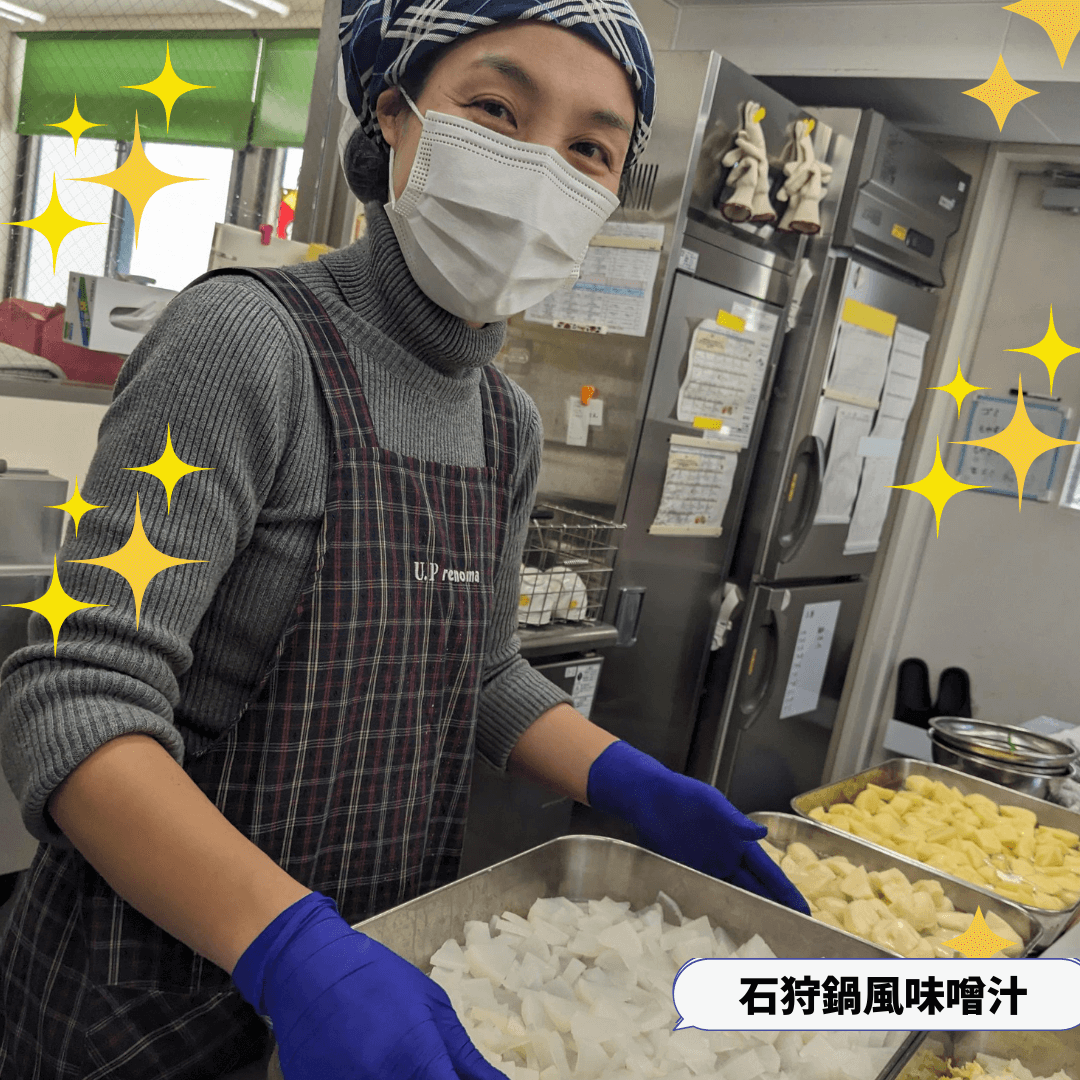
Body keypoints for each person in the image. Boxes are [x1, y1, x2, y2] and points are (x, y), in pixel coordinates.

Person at [0, 2, 809, 1077]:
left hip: (377, 971)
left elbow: (479, 669)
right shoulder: (246, 341)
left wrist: (628, 781)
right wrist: (292, 950)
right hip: (151, 994)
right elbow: (75, 697)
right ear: (394, 115)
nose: (541, 166)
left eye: (590, 148)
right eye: (497, 109)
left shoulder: (503, 424)